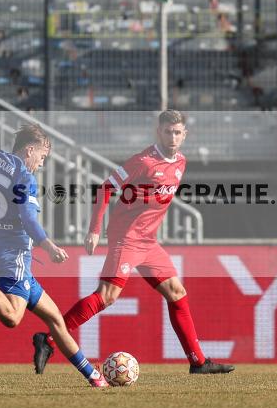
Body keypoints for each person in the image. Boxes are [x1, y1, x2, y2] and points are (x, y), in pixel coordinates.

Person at [32, 110, 235, 376]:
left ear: (185, 135)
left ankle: (198, 362)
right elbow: (105, 188)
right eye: (167, 131)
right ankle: (47, 339)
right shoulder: (143, 161)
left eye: (177, 132)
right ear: (158, 132)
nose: (172, 137)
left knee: (177, 293)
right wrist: (95, 230)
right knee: (107, 297)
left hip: (148, 243)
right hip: (126, 238)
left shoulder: (181, 162)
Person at [0, 107, 109, 388]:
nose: (41, 164)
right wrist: (49, 245)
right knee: (12, 317)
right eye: (42, 157)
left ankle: (94, 377)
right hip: (14, 255)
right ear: (30, 150)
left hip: (4, 254)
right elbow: (27, 217)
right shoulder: (25, 178)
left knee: (56, 319)